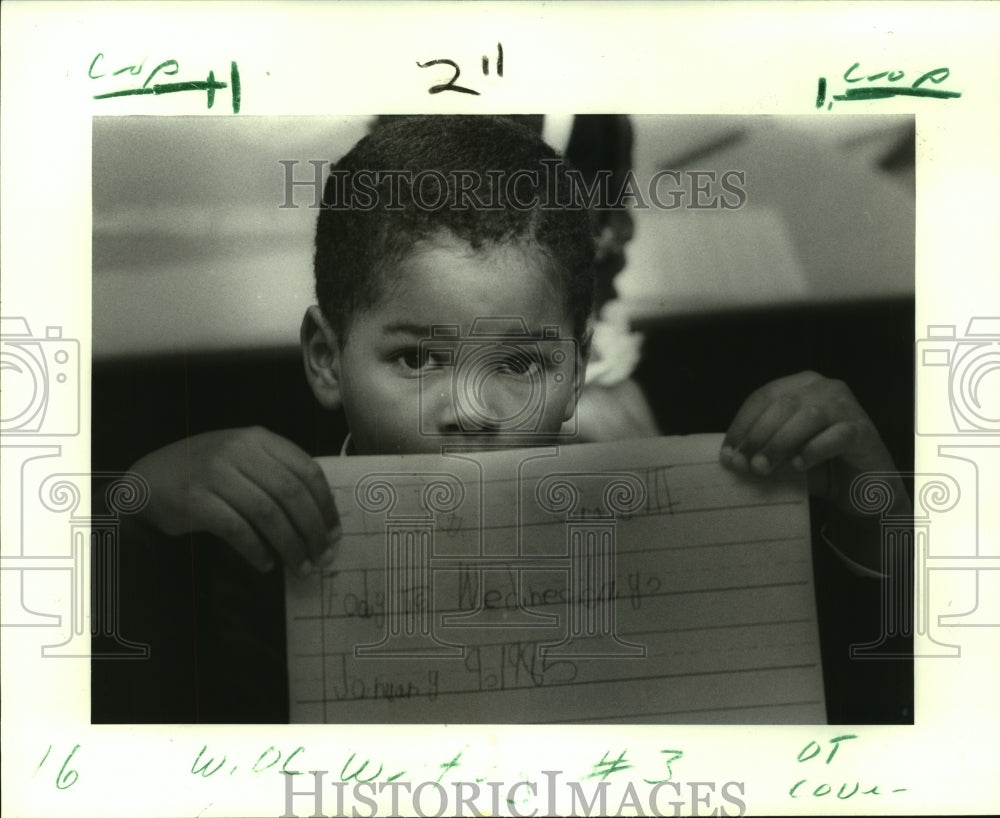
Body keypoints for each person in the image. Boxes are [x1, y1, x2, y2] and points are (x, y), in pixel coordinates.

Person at [99, 115, 910, 723]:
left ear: (576, 367)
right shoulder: (223, 558)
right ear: (324, 357)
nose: (471, 413)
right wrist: (126, 510)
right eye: (417, 359)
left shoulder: (707, 536)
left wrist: (881, 529)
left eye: (520, 364)